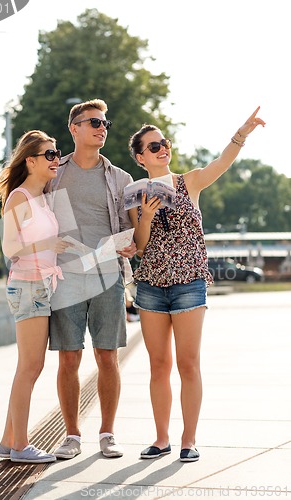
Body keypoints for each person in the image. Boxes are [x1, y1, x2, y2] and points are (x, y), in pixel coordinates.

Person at [128, 107, 265, 462]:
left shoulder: (191, 181)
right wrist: (146, 215)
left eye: (165, 142)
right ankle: (161, 440)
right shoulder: (136, 194)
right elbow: (140, 245)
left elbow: (224, 161)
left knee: (188, 364)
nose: (162, 148)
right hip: (152, 286)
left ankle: (189, 440)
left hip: (189, 282)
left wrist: (241, 133)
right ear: (141, 157)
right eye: (154, 146)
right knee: (159, 365)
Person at [47, 99, 136, 459]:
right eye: (94, 122)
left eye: (105, 124)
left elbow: (130, 228)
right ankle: (71, 435)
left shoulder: (120, 178)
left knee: (108, 357)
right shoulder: (54, 173)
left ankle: (107, 433)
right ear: (74, 128)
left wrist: (131, 243)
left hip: (107, 276)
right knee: (68, 359)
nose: (102, 128)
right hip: (64, 277)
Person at [0, 130, 69, 463]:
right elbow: (10, 248)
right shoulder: (20, 198)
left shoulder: (43, 198)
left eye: (57, 153)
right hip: (27, 285)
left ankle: (8, 440)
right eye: (50, 155)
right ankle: (21, 446)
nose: (57, 160)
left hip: (42, 284)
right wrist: (46, 246)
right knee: (30, 366)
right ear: (31, 161)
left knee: (30, 365)